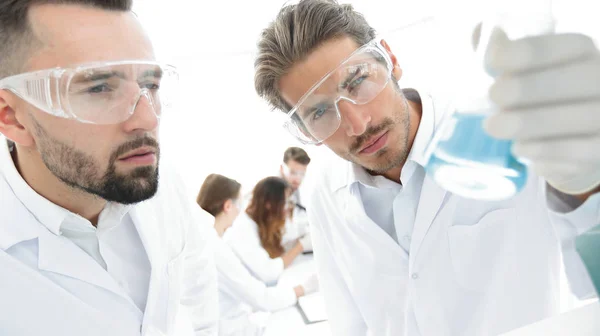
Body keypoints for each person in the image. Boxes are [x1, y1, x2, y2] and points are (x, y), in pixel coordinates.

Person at [253, 0, 600, 335]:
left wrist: (588, 183)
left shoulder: (504, 128)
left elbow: (590, 279)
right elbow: (348, 322)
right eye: (319, 113)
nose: (357, 124)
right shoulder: (323, 190)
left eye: (357, 81)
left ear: (389, 58)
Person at [0, 1, 217, 335]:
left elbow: (198, 301)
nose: (147, 118)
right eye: (99, 88)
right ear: (12, 117)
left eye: (151, 85)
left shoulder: (159, 180)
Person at [197, 174, 319, 336]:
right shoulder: (215, 248)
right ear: (227, 206)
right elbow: (260, 297)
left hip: (238, 317)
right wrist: (303, 289)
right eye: (239, 204)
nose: (241, 210)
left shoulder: (207, 239)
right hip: (230, 327)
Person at [224, 176, 307, 284]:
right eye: (285, 202)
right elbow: (268, 273)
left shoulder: (261, 222)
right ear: (268, 204)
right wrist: (300, 246)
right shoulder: (242, 229)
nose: (288, 208)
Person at [279, 147, 313, 252]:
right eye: (293, 173)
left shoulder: (294, 192)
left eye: (302, 174)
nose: (297, 179)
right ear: (281, 169)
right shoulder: (268, 193)